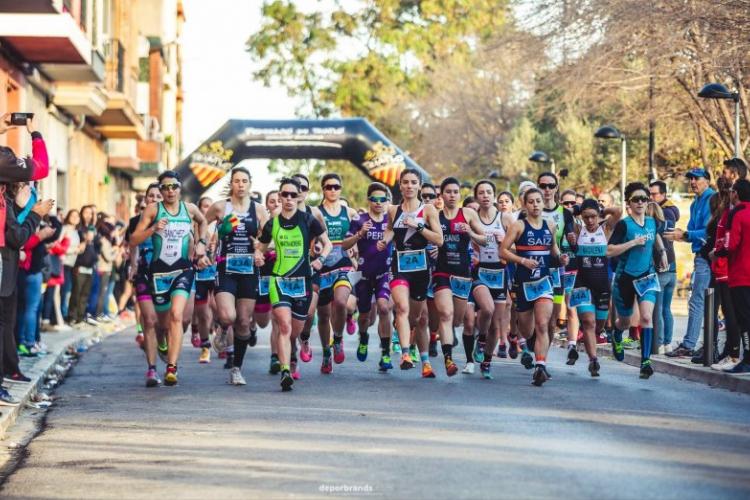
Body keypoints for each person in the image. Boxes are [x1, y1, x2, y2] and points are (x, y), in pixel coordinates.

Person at [130, 171, 209, 387]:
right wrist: (153, 229)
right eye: (165, 187)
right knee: (160, 323)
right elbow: (134, 239)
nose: (170, 191)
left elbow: (203, 222)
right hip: (157, 273)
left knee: (177, 315)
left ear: (180, 188)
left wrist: (202, 243)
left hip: (182, 270)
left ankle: (172, 367)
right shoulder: (153, 210)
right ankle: (159, 352)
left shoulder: (189, 209)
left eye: (174, 186)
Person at [256, 177, 332, 391]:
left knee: (295, 330)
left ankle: (291, 353)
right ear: (280, 197)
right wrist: (258, 256)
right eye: (285, 194)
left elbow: (327, 244)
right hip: (279, 280)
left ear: (299, 197)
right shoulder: (272, 223)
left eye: (293, 195)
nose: (289, 198)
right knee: (284, 325)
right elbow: (261, 247)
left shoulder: (308, 220)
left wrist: (321, 259)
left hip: (302, 281)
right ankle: (285, 372)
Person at [205, 167, 268, 385]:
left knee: (243, 321)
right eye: (236, 181)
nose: (240, 184)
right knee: (227, 316)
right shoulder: (220, 207)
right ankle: (223, 328)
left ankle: (236, 368)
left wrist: (260, 250)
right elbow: (201, 225)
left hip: (249, 270)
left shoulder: (259, 210)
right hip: (226, 268)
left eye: (244, 181)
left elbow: (266, 238)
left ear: (250, 183)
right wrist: (206, 242)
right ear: (231, 184)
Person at [501, 187, 568, 386]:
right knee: (528, 330)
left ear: (543, 203)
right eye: (531, 202)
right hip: (523, 283)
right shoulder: (518, 226)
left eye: (538, 201)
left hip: (544, 282)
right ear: (525, 205)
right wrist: (522, 261)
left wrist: (561, 258)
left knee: (543, 324)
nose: (535, 205)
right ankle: (524, 341)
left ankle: (540, 366)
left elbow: (553, 249)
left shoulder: (550, 225)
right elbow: (502, 251)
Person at [378, 169, 443, 373]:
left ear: (419, 185)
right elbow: (390, 229)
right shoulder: (392, 210)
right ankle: (405, 354)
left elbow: (439, 239)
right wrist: (385, 240)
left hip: (421, 269)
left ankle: (424, 361)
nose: (409, 186)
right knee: (402, 308)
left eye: (413, 182)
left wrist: (418, 227)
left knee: (417, 318)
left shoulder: (428, 210)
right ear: (400, 185)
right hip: (399, 266)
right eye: (405, 182)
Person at [608, 182, 668, 379]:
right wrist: (633, 242)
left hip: (647, 276)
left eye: (644, 199)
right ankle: (617, 334)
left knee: (646, 317)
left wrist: (662, 252)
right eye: (636, 199)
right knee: (625, 322)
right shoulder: (624, 225)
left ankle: (646, 362)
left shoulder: (651, 221)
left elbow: (655, 235)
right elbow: (609, 251)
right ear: (629, 203)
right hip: (625, 278)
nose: (641, 202)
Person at [430, 177, 485, 377]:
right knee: (446, 314)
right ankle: (448, 358)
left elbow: (484, 240)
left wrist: (470, 232)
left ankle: (448, 335)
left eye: (455, 192)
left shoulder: (468, 214)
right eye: (448, 192)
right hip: (442, 271)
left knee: (457, 320)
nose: (452, 195)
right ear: (442, 195)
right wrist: (432, 248)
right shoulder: (435, 215)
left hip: (462, 273)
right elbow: (426, 237)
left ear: (460, 194)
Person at [664, 168, 715, 357]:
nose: (692, 182)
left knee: (698, 300)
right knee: (705, 300)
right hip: (700, 256)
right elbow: (693, 232)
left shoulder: (712, 198)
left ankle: (690, 345)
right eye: (691, 179)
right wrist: (681, 235)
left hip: (709, 256)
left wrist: (685, 235)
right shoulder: (695, 203)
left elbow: (709, 232)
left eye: (696, 178)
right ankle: (708, 346)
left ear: (707, 180)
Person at [343, 182, 393, 370]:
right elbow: (345, 245)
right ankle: (363, 338)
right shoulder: (359, 219)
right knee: (364, 316)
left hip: (384, 274)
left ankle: (386, 353)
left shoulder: (391, 219)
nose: (378, 202)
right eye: (374, 199)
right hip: (363, 275)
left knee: (384, 308)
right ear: (368, 200)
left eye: (382, 199)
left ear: (387, 201)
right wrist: (360, 234)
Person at [569, 199, 621, 376]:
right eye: (586, 217)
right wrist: (576, 210)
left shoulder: (605, 229)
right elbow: (565, 214)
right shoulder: (578, 229)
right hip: (582, 284)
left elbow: (618, 212)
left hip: (602, 286)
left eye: (593, 216)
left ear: (598, 216)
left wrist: (602, 211)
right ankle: (593, 360)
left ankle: (587, 336)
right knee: (588, 322)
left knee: (598, 326)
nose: (590, 221)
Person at [467, 180, 510, 379]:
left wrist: (505, 244)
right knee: (487, 309)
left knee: (495, 324)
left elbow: (516, 249)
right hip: (479, 271)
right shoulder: (472, 217)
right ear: (476, 196)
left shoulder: (505, 218)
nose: (485, 196)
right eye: (481, 192)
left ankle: (486, 362)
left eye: (489, 192)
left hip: (500, 272)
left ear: (494, 195)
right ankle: (481, 339)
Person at [316, 173, 358, 373]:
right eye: (328, 187)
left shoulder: (349, 212)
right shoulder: (316, 212)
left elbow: (359, 235)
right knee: (324, 315)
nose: (333, 190)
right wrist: (314, 248)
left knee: (341, 302)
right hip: (322, 266)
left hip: (343, 263)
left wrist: (356, 254)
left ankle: (338, 339)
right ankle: (326, 353)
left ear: (341, 188)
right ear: (323, 189)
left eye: (336, 187)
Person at [722, 178, 750, 373]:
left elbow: (730, 245)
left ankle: (747, 359)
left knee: (744, 319)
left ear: (736, 194)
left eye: (732, 191)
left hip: (741, 275)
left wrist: (716, 253)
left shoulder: (736, 213)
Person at [649, 180, 680, 353]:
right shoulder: (672, 212)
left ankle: (659, 343)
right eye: (650, 193)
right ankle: (667, 343)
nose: (650, 197)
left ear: (663, 194)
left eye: (654, 194)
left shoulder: (662, 214)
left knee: (659, 308)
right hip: (672, 265)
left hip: (663, 265)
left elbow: (658, 240)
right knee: (666, 308)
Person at [192, 196, 216, 364]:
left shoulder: (219, 225)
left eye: (210, 206)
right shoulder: (194, 227)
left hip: (217, 273)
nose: (208, 209)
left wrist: (215, 248)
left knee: (218, 309)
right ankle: (205, 346)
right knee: (202, 313)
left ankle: (222, 337)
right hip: (200, 274)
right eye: (205, 206)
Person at [60, 209, 81, 321]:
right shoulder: (65, 229)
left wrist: (79, 249)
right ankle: (61, 316)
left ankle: (65, 314)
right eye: (72, 215)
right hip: (63, 263)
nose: (75, 218)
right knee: (64, 291)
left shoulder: (75, 231)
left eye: (77, 216)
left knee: (68, 291)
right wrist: (74, 250)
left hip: (72, 265)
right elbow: (58, 245)